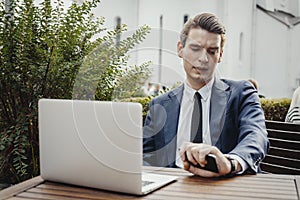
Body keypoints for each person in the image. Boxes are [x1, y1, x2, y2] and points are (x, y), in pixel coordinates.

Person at [143, 13, 269, 178]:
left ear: (220, 55)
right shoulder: (159, 105)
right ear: (180, 49)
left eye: (212, 51)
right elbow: (145, 158)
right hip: (170, 187)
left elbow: (256, 136)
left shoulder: (242, 93)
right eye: (195, 48)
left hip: (224, 186)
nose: (203, 59)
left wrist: (230, 163)